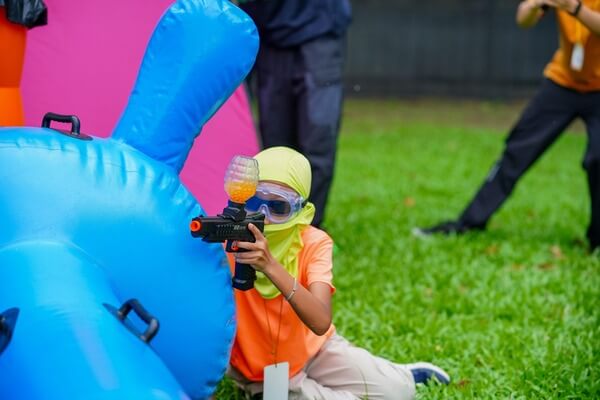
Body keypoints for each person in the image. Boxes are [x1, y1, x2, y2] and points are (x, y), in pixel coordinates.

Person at [226, 146, 450, 400]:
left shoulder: (314, 242)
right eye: (255, 202)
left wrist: (270, 266)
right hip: (263, 373)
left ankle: (400, 374)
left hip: (316, 349)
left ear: (302, 211)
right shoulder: (227, 245)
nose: (264, 217)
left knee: (399, 392)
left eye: (279, 207)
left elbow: (321, 321)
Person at [415, 0, 600, 251]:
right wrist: (534, 6)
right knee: (517, 150)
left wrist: (574, 7)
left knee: (597, 159)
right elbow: (523, 20)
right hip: (563, 81)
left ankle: (598, 240)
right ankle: (469, 223)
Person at [237, 0, 352, 228]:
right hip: (268, 33)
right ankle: (278, 227)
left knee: (317, 142)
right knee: (275, 148)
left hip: (320, 34)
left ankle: (309, 231)